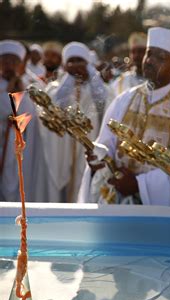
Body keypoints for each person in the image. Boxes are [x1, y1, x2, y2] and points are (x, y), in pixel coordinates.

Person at [78, 27, 170, 206]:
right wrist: (98, 157)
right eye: (149, 54)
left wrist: (139, 185)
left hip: (159, 211)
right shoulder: (124, 98)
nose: (150, 61)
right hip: (116, 202)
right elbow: (106, 143)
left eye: (160, 57)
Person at [44, 41, 112, 202]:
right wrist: (68, 81)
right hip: (62, 147)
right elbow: (53, 106)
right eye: (71, 61)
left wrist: (92, 79)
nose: (76, 65)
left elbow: (106, 105)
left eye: (80, 61)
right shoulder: (55, 88)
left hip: (88, 143)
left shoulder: (98, 88)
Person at [0, 40, 50, 202]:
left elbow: (30, 115)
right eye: (5, 60)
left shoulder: (30, 86)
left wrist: (19, 91)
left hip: (20, 149)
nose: (9, 65)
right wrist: (8, 94)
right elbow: (6, 111)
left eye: (13, 61)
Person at [110, 32, 147, 97]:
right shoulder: (122, 80)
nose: (136, 56)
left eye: (140, 51)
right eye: (133, 52)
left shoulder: (155, 80)